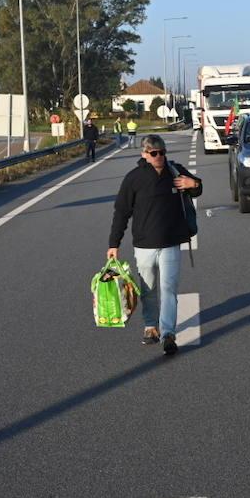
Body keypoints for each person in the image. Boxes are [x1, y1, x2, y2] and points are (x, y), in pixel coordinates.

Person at [108, 135, 203, 354]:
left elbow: (197, 189)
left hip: (171, 242)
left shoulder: (175, 171)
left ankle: (168, 332)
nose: (159, 156)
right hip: (144, 245)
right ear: (144, 154)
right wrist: (114, 243)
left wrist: (193, 184)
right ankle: (151, 326)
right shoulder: (134, 178)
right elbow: (121, 212)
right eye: (154, 153)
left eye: (162, 152)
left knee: (169, 289)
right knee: (148, 290)